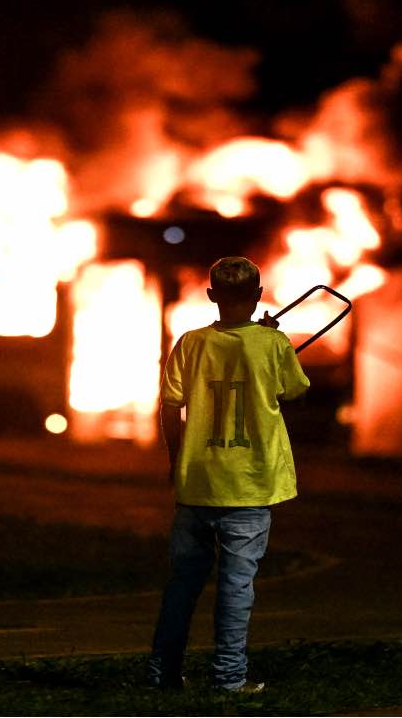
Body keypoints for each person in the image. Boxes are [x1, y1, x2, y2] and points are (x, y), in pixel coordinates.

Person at [147, 256, 310, 693]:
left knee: (182, 585)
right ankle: (228, 678)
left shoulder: (190, 343)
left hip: (197, 485)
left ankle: (163, 674)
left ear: (211, 296)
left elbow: (169, 405)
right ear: (258, 297)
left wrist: (175, 460)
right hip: (251, 486)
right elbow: (295, 388)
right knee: (237, 589)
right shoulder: (272, 344)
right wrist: (273, 340)